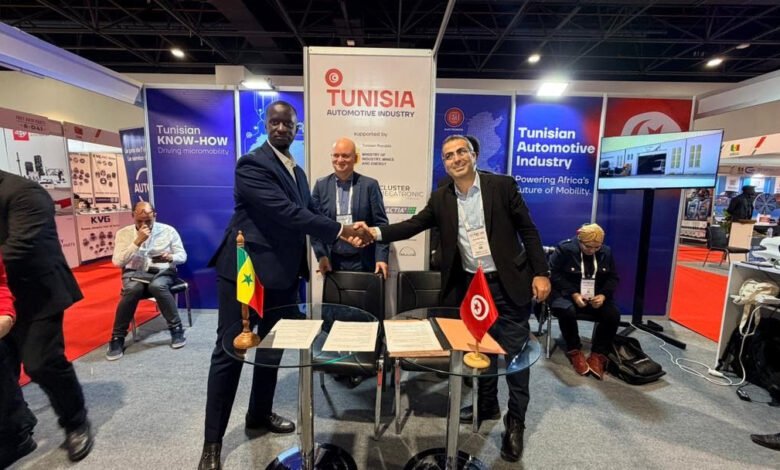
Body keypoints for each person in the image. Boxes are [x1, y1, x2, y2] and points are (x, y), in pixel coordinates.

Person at [355, 135, 551, 462]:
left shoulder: (502, 186)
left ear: (474, 155)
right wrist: (374, 232)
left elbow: (528, 231)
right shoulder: (441, 197)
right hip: (473, 288)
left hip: (508, 284)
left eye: (462, 152)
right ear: (444, 163)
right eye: (448, 155)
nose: (456, 158)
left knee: (515, 356)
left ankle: (516, 421)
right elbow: (413, 225)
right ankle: (486, 405)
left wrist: (541, 272)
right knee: (481, 349)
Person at [199, 101, 371, 470]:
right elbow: (287, 213)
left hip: (284, 275)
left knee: (272, 350)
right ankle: (211, 444)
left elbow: (311, 212)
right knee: (230, 354)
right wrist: (342, 230)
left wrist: (352, 230)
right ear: (267, 124)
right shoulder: (251, 164)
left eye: (288, 124)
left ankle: (258, 414)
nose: (281, 128)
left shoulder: (298, 171)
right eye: (275, 122)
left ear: (296, 128)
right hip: (247, 273)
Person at [0, 170, 93, 464]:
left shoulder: (25, 192)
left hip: (38, 294)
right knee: (3, 367)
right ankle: (17, 432)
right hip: (1, 294)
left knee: (42, 363)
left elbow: (22, 247)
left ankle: (75, 421)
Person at [105, 201, 188, 360]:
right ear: (132, 216)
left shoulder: (168, 230)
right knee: (132, 289)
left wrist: (171, 257)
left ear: (154, 216)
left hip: (162, 271)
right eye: (139, 221)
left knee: (158, 286)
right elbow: (118, 262)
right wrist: (137, 242)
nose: (144, 225)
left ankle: (176, 328)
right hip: (134, 272)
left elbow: (182, 256)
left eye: (148, 221)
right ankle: (117, 337)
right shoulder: (123, 233)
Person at [548, 223, 620, 379]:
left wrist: (603, 295)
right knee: (566, 311)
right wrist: (574, 294)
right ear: (579, 240)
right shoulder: (565, 249)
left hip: (594, 295)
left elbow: (613, 278)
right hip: (566, 294)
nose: (592, 250)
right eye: (588, 246)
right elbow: (553, 274)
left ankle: (598, 354)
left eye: (596, 247)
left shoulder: (606, 252)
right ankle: (574, 350)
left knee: (613, 315)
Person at [311, 137, 389, 279]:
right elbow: (315, 225)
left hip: (364, 261)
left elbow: (381, 224)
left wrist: (381, 258)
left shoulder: (370, 185)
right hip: (332, 261)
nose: (340, 160)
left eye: (345, 156)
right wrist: (321, 255)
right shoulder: (321, 186)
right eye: (336, 155)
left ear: (355, 158)